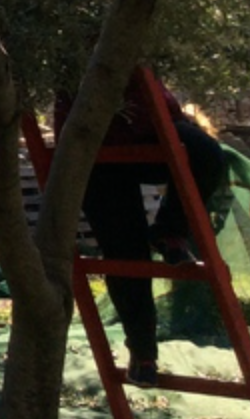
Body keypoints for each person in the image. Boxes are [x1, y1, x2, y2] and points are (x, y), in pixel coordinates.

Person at [57, 66, 228, 386]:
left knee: (206, 154)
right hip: (93, 148)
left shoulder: (133, 28)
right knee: (124, 255)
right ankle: (143, 353)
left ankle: (168, 231)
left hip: (153, 131)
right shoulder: (73, 49)